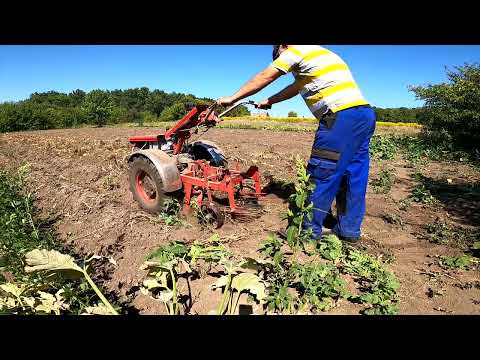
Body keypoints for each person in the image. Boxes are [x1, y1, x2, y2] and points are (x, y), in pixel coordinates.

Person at [217, 45, 376, 243]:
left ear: (282, 47)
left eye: (278, 58)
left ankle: (306, 232)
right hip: (363, 115)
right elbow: (294, 88)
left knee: (322, 172)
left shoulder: (295, 50)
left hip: (339, 117)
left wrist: (233, 98)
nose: (288, 70)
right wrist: (269, 100)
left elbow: (265, 76)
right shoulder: (320, 54)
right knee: (353, 174)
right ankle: (348, 230)